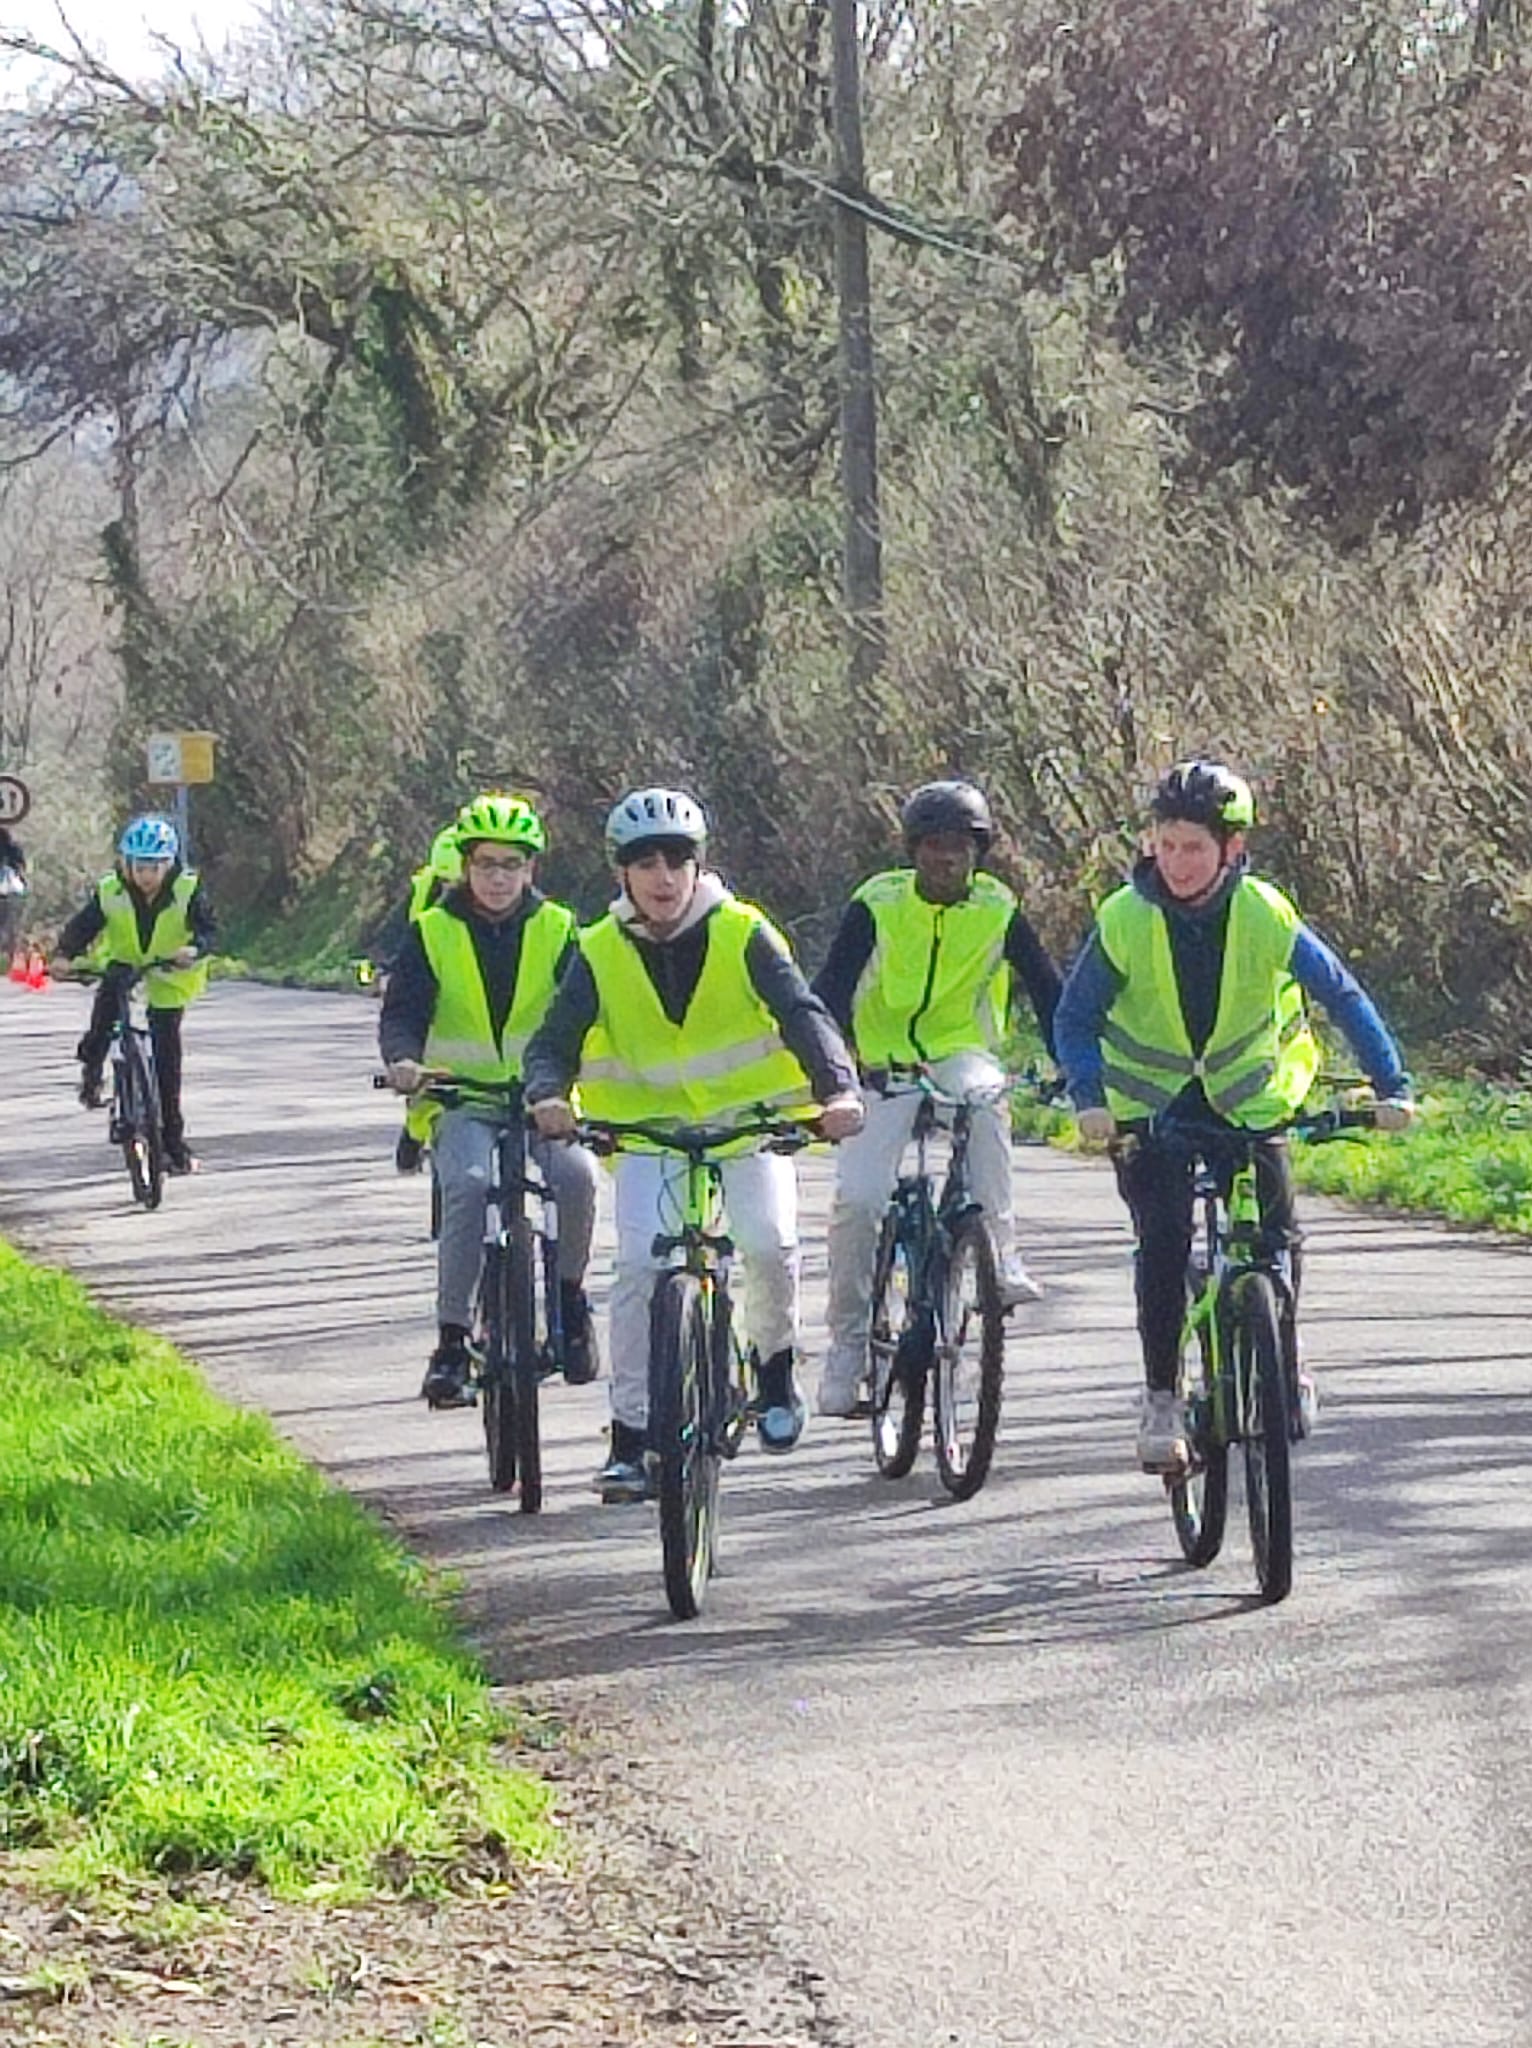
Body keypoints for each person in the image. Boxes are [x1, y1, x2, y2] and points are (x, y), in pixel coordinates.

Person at [1053, 758, 1415, 1472]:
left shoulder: (1264, 913)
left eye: (1195, 847)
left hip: (1249, 1101)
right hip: (1148, 1111)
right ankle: (1162, 1396)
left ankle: (1286, 1357)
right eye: (1166, 844)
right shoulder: (1124, 917)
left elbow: (1342, 996)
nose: (1177, 862)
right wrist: (1089, 1098)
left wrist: (1391, 1084)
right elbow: (1075, 1017)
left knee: (1276, 1234)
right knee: (1163, 1241)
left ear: (1232, 849)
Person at [523, 786, 865, 1503]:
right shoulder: (598, 948)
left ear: (698, 865)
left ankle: (774, 1370)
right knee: (638, 1270)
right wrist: (548, 1095)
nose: (663, 877)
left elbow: (803, 1014)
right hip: (650, 1134)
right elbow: (553, 1041)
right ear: (621, 872)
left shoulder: (743, 932)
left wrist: (837, 1090)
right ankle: (630, 1437)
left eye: (677, 860)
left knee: (768, 1243)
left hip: (749, 1125)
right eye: (645, 862)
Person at [811, 780, 1062, 1418]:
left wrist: (1072, 1068)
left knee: (987, 1107)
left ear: (978, 853)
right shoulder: (877, 904)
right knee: (860, 1200)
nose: (945, 858)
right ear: (912, 850)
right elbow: (830, 992)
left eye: (959, 847)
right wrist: (833, 1073)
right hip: (882, 1062)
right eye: (932, 845)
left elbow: (1046, 989)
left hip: (960, 1053)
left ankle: (999, 1252)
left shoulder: (998, 909)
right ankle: (847, 1345)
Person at [380, 793, 601, 1406]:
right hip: (463, 1099)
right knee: (469, 1186)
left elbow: (587, 1013)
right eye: (485, 864)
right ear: (465, 866)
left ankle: (570, 1303)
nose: (498, 878)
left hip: (542, 1099)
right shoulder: (432, 931)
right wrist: (403, 1062)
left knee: (578, 1176)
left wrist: (576, 1078)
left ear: (531, 868)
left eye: (511, 864)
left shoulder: (559, 929)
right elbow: (402, 1014)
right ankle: (452, 1342)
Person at [56, 814, 215, 1173]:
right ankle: (92, 1073)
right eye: (139, 867)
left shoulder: (188, 889)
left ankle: (173, 1144)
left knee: (167, 1062)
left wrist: (195, 948)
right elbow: (83, 926)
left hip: (168, 971)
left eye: (154, 868)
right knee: (102, 1021)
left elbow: (209, 929)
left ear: (169, 864)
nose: (146, 876)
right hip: (123, 966)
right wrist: (64, 954)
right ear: (126, 863)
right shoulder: (110, 890)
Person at [393, 822, 466, 1174]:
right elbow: (394, 937)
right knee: (423, 1070)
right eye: (446, 883)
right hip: (429, 984)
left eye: (459, 883)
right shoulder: (422, 895)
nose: (454, 891)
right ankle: (413, 1132)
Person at [0, 822, 26, 960]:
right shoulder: (12, 846)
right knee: (8, 928)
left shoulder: (11, 847)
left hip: (8, 892)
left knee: (7, 928)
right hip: (10, 893)